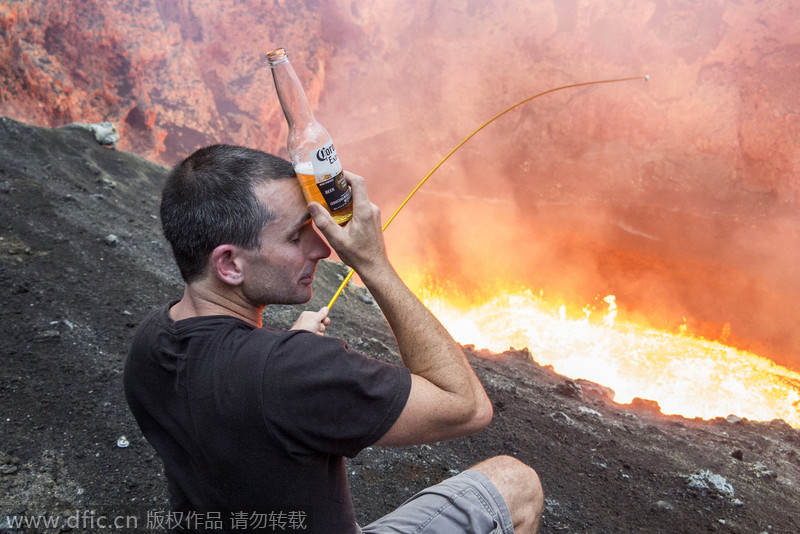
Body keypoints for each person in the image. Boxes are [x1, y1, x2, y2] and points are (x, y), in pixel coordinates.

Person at [124, 144, 543, 533]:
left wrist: (286, 348)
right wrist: (373, 263)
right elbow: (466, 407)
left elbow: (240, 399)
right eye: (296, 235)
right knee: (516, 483)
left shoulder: (149, 343)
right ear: (229, 263)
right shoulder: (292, 372)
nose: (322, 249)